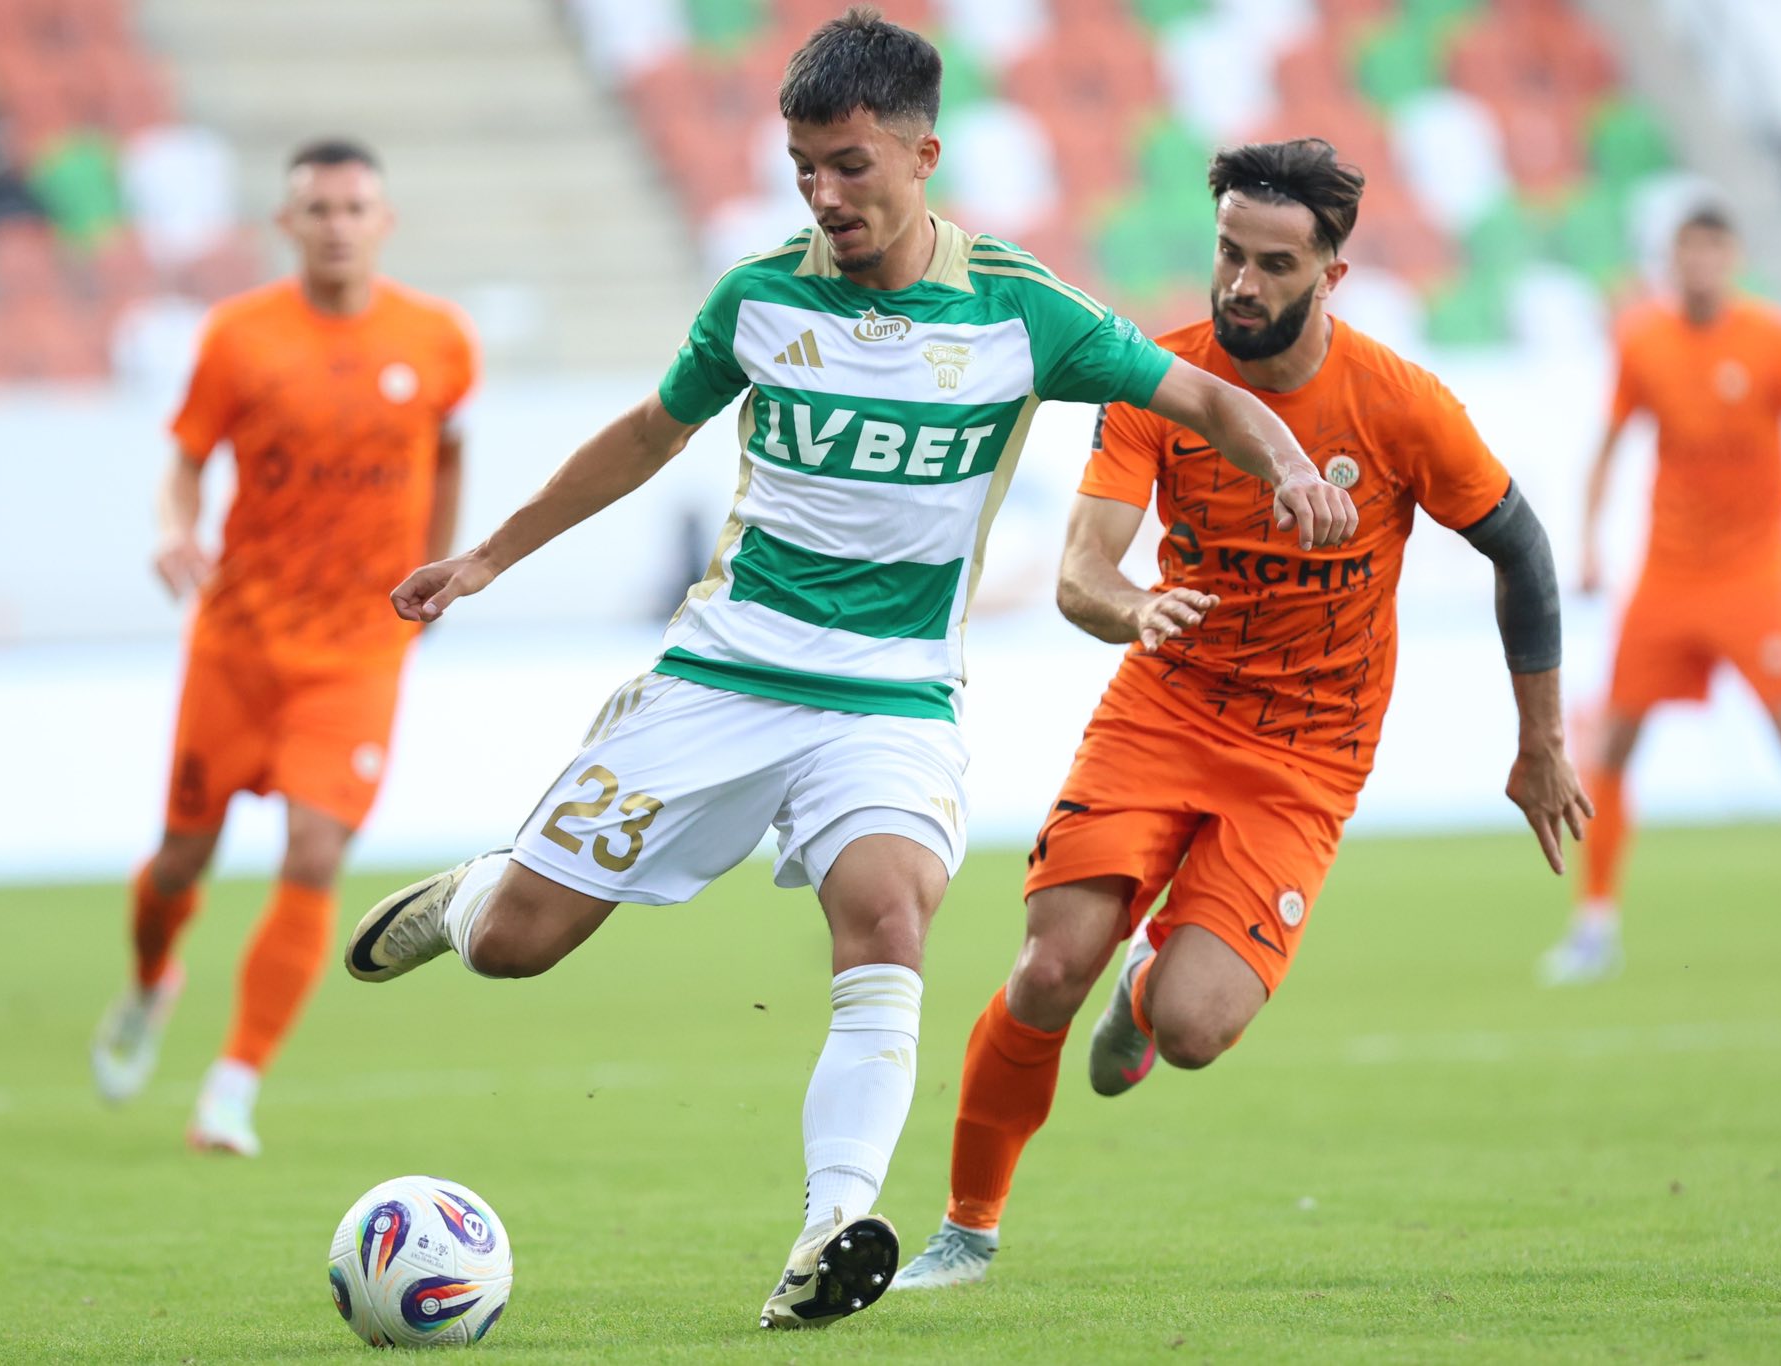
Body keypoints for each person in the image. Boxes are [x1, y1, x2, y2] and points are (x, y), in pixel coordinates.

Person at [338, 10, 1356, 1333]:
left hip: (891, 697)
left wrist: (1288, 464)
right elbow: (647, 434)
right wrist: (488, 556)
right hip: (722, 674)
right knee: (518, 946)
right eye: (802, 166)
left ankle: (831, 1226)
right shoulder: (759, 298)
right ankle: (471, 894)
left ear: (923, 155)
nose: (824, 195)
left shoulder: (1020, 311)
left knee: (888, 916)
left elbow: (1207, 395)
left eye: (850, 165)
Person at [890, 137, 1591, 1290]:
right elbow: (1079, 572)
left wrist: (1540, 740)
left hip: (1307, 753)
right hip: (1162, 714)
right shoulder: (1158, 381)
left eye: (1273, 264)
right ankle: (966, 1228)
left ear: (1330, 275)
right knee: (1050, 963)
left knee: (1194, 1029)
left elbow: (1519, 549)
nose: (1240, 284)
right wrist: (1133, 608)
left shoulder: (1399, 405)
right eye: (1228, 253)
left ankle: (1147, 986)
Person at [89, 139, 478, 1154]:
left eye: (355, 207)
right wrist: (173, 528)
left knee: (314, 849)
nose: (338, 225)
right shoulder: (238, 336)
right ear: (287, 224)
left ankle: (234, 1083)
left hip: (357, 648)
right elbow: (185, 460)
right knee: (181, 860)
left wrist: (436, 573)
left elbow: (448, 456)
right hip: (239, 644)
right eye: (319, 208)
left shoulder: (438, 340)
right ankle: (150, 980)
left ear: (383, 222)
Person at [1539, 206, 1781, 984]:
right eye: (1685, 250)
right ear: (1671, 261)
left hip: (1755, 576)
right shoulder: (1643, 340)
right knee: (1615, 742)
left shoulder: (1778, 340)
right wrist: (1591, 543)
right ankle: (1595, 924)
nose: (1697, 263)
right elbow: (1608, 448)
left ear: (1731, 258)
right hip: (1667, 575)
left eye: (1710, 249)